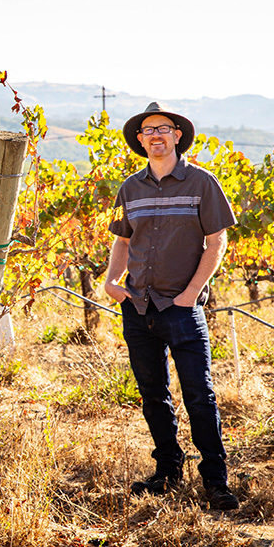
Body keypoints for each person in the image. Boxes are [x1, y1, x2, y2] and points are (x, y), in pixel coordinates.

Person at [104, 102, 239, 510]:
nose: (156, 135)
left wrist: (191, 292)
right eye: (148, 130)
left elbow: (217, 241)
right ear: (141, 140)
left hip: (181, 309)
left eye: (164, 128)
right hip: (138, 308)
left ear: (177, 135)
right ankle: (167, 471)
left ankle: (215, 481)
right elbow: (123, 241)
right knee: (152, 394)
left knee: (200, 394)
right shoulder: (130, 188)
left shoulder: (202, 182)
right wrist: (112, 281)